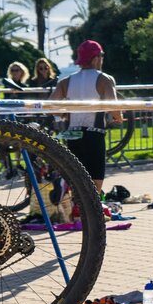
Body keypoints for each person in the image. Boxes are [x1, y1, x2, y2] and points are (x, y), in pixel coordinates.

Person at [50, 40, 123, 194]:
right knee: (95, 180)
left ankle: (76, 211)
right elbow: (114, 108)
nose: (102, 59)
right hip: (93, 133)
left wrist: (65, 112)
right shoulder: (105, 79)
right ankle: (91, 214)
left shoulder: (66, 81)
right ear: (96, 58)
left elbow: (51, 107)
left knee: (77, 179)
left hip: (72, 134)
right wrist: (119, 117)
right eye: (101, 56)